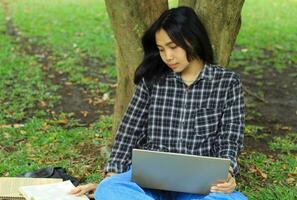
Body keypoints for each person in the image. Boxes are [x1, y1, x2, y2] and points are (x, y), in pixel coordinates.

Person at [70, 6, 247, 200]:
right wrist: (112, 176)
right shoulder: (152, 80)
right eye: (161, 49)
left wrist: (227, 172)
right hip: (149, 182)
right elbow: (130, 130)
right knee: (108, 188)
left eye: (173, 47)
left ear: (193, 39)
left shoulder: (227, 82)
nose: (167, 57)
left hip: (199, 186)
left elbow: (230, 138)